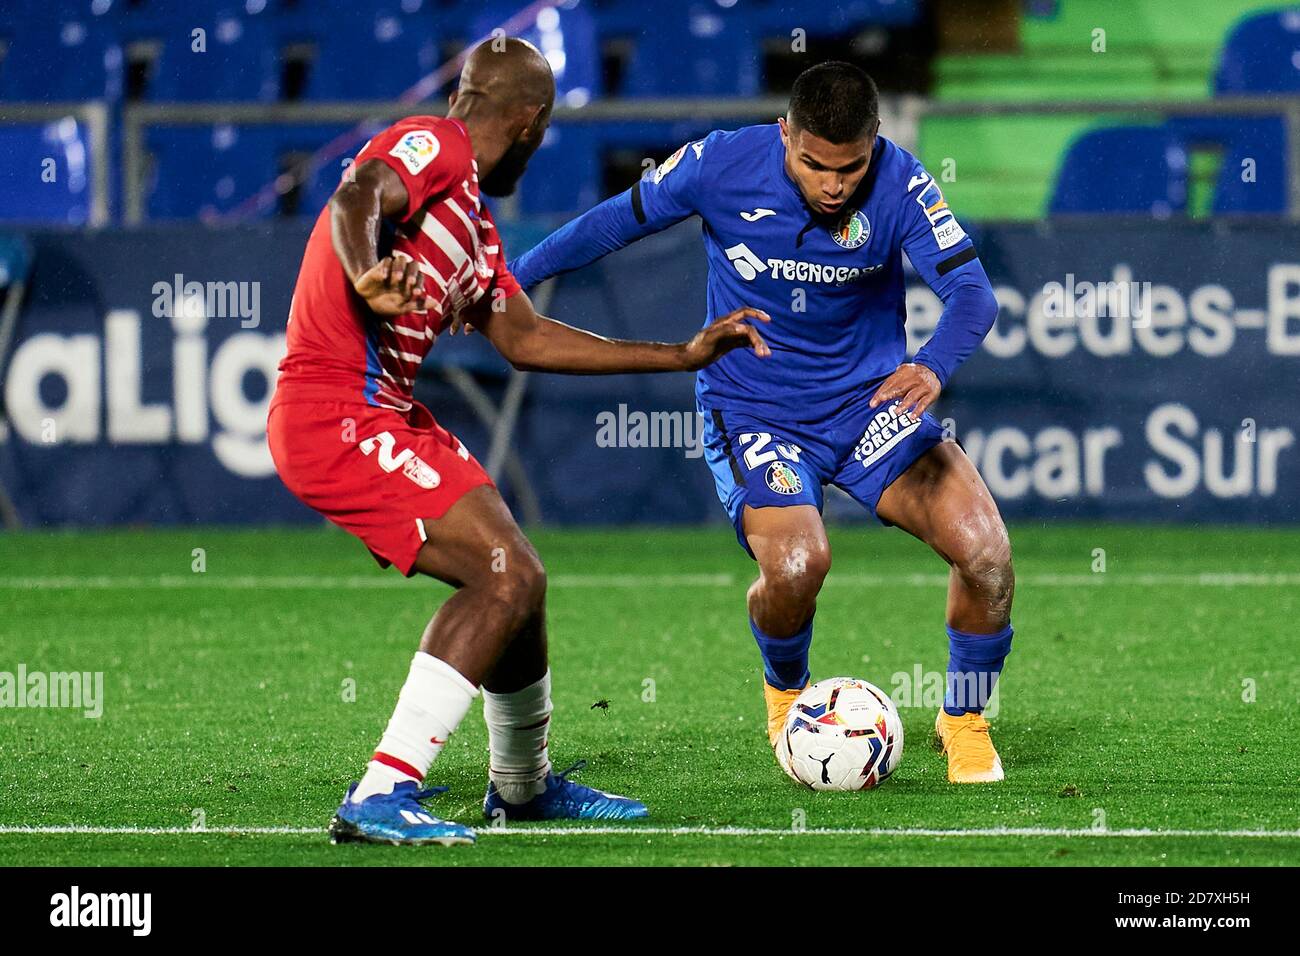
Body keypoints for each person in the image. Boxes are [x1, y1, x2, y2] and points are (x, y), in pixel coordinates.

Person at [267, 37, 770, 845]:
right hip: (334, 413)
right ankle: (381, 791)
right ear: (532, 122)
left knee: (520, 579)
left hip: (385, 413)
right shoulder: (430, 146)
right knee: (502, 577)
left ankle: (523, 788)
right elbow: (356, 194)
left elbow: (527, 338)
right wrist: (365, 271)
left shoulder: (471, 221)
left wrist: (677, 354)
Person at [509, 62, 1013, 785]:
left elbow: (971, 291)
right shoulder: (720, 163)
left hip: (872, 409)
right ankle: (787, 699)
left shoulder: (901, 181)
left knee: (987, 555)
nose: (834, 185)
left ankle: (962, 718)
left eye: (851, 167)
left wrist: (932, 365)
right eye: (814, 164)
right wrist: (508, 278)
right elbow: (614, 222)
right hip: (757, 411)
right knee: (799, 565)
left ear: (875, 145)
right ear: (785, 135)